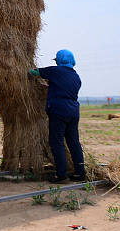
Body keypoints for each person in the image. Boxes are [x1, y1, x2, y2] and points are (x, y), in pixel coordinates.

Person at [29, 49, 85, 183]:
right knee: (74, 142)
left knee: (57, 142)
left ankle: (61, 175)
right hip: (73, 112)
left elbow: (33, 72)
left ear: (59, 60)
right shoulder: (76, 76)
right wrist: (49, 86)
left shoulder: (55, 71)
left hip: (59, 111)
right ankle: (80, 174)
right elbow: (64, 87)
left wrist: (32, 74)